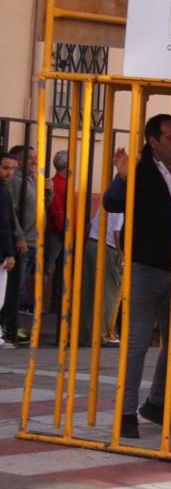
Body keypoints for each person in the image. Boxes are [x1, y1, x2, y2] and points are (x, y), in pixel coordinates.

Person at [102, 115, 171, 439]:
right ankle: (126, 412)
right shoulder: (138, 169)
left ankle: (157, 403)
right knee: (137, 341)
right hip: (145, 266)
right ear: (153, 141)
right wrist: (122, 178)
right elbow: (111, 203)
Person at [4, 145, 40, 344]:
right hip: (23, 242)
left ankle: (13, 325)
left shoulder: (31, 181)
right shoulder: (15, 182)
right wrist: (19, 236)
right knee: (14, 288)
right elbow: (13, 213)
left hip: (33, 240)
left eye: (36, 158)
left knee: (20, 288)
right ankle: (10, 326)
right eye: (30, 158)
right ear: (19, 162)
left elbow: (41, 208)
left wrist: (48, 193)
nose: (35, 161)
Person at [76, 207, 124, 348]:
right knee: (108, 293)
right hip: (108, 248)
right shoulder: (125, 198)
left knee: (89, 291)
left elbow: (91, 224)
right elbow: (117, 230)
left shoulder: (108, 195)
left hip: (93, 243)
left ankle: (85, 334)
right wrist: (122, 254)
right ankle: (103, 335)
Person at [46, 150, 69, 316]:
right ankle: (48, 304)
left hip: (60, 231)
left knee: (60, 269)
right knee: (47, 267)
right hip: (57, 232)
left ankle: (56, 304)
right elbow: (57, 212)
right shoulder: (58, 183)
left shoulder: (60, 182)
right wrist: (66, 231)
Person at [0, 153, 17, 348]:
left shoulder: (6, 190)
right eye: (5, 168)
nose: (9, 172)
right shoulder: (3, 193)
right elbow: (4, 224)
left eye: (12, 169)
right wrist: (9, 253)